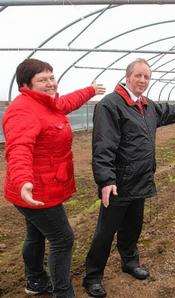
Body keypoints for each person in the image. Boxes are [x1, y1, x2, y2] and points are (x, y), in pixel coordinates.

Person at [82, 58, 175, 297]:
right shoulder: (111, 105)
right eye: (138, 75)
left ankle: (129, 262)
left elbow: (167, 112)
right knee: (106, 232)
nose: (142, 80)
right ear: (127, 77)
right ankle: (93, 275)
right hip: (119, 183)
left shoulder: (146, 105)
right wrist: (106, 180)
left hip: (141, 179)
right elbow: (103, 146)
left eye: (147, 77)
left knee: (133, 227)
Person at [2, 58, 105, 297]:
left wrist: (90, 90)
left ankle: (35, 281)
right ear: (26, 84)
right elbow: (19, 148)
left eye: (51, 77)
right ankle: (62, 291)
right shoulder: (22, 110)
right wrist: (23, 182)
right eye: (42, 80)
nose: (50, 83)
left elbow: (66, 102)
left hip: (42, 186)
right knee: (63, 239)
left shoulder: (47, 104)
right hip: (35, 190)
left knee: (36, 233)